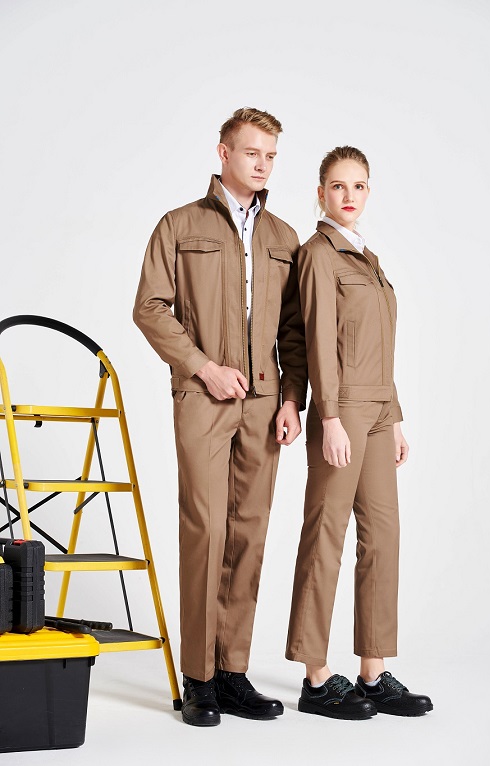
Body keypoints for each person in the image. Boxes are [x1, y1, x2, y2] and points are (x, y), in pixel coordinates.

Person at [133, 107, 307, 727]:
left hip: (264, 403)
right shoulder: (180, 225)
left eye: (271, 155)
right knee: (206, 531)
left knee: (249, 535)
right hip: (204, 397)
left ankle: (233, 671)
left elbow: (294, 329)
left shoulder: (284, 237)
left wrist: (291, 398)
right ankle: (199, 678)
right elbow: (150, 307)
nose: (262, 164)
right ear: (223, 152)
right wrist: (203, 367)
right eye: (252, 151)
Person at [285, 146, 433, 720]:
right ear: (321, 193)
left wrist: (393, 416)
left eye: (360, 186)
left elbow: (380, 347)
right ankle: (316, 676)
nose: (349, 196)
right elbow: (319, 339)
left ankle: (373, 670)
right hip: (342, 407)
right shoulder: (318, 255)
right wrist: (327, 417)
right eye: (338, 186)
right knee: (326, 533)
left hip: (376, 411)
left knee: (383, 535)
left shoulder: (367, 258)